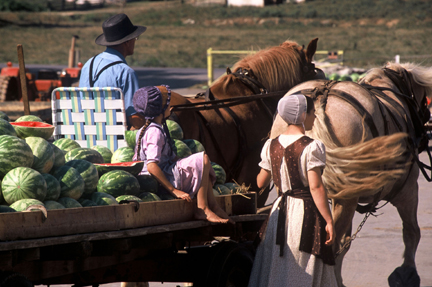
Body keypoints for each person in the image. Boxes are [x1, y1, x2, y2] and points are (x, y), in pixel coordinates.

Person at [248, 94, 337, 287]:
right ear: (303, 115)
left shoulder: (270, 145)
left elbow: (261, 182)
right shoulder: (312, 146)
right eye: (313, 112)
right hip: (304, 213)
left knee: (278, 264)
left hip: (279, 211)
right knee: (300, 265)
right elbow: (315, 186)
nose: (315, 116)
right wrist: (329, 220)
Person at [132, 85, 234, 224]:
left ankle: (213, 206)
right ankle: (202, 209)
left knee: (202, 164)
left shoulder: (150, 129)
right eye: (168, 105)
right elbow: (151, 166)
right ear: (160, 110)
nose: (171, 108)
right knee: (203, 159)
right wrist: (174, 191)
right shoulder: (154, 132)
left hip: (162, 175)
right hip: (159, 180)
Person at [79, 13, 146, 129]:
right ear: (127, 42)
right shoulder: (126, 72)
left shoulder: (88, 64)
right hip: (115, 140)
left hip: (86, 134)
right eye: (135, 38)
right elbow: (136, 119)